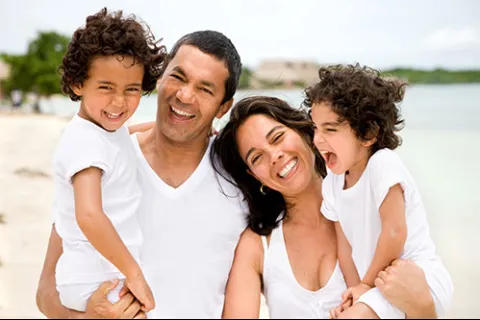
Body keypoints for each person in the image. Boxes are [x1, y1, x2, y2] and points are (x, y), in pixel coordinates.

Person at [36, 29, 248, 319]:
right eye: (178, 77)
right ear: (159, 78)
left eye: (205, 89)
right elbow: (46, 290)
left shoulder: (240, 180)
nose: (185, 96)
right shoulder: (101, 165)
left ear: (223, 107)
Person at [211, 95, 444, 319]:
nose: (274, 156)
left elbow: (411, 300)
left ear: (304, 131)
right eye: (257, 157)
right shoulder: (258, 245)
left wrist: (423, 308)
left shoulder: (372, 207)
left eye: (277, 137)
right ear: (254, 176)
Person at [304, 64, 454, 318]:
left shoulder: (382, 164)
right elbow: (345, 249)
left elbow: (394, 232)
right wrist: (354, 291)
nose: (317, 139)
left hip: (418, 278)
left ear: (368, 133)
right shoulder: (332, 182)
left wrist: (366, 285)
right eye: (315, 128)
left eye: (330, 129)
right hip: (377, 284)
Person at [51, 7, 166, 313]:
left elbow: (123, 137)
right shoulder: (84, 141)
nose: (119, 101)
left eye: (132, 90)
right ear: (78, 84)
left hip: (101, 268)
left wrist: (165, 129)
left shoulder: (100, 133)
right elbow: (89, 214)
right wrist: (134, 273)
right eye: (106, 88)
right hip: (97, 273)